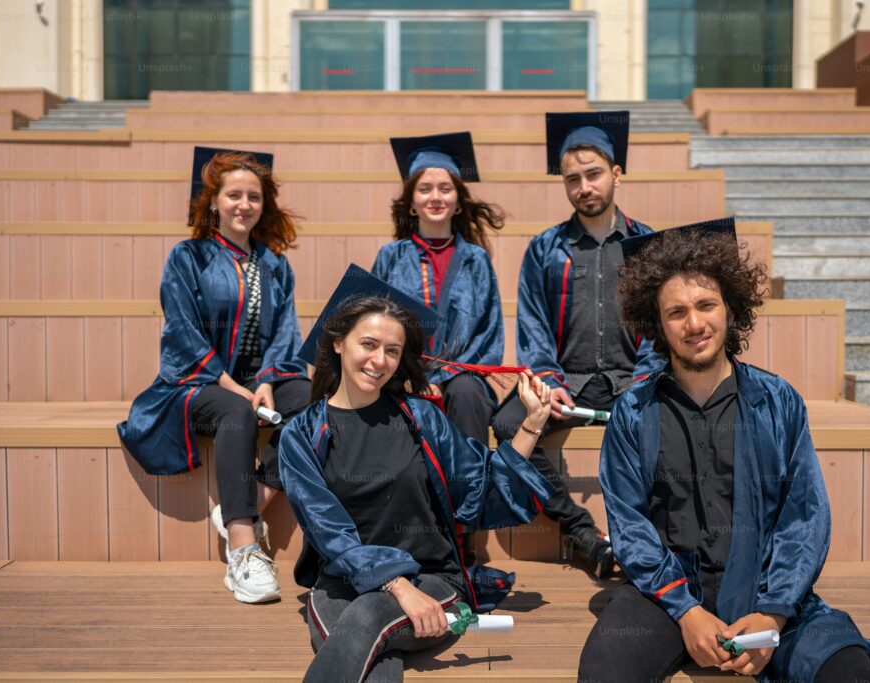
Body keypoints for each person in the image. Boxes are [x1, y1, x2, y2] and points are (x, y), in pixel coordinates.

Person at [577, 218, 870, 682]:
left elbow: (804, 516)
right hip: (666, 594)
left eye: (706, 305)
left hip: (769, 590)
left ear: (730, 309)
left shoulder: (776, 401)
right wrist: (686, 612)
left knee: (850, 674)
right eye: (676, 312)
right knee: (603, 672)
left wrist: (774, 613)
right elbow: (629, 524)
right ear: (657, 325)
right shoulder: (634, 412)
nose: (695, 323)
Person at [278, 266, 554, 683]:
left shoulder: (421, 418)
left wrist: (532, 424)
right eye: (368, 344)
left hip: (431, 579)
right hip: (343, 581)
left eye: (392, 350)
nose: (380, 361)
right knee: (375, 650)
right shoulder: (301, 434)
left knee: (367, 618)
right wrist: (397, 587)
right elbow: (328, 530)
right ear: (338, 343)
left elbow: (482, 491)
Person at [118, 147, 311, 604]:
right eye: (234, 195)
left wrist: (266, 380)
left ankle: (249, 500)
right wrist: (230, 384)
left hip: (260, 379)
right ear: (214, 202)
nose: (245, 204)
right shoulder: (188, 256)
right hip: (197, 382)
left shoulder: (275, 264)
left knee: (312, 404)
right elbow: (182, 330)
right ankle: (243, 549)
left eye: (254, 197)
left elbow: (285, 332)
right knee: (236, 413)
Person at [492, 111, 663, 579]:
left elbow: (662, 328)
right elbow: (533, 327)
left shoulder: (647, 245)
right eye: (573, 179)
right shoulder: (545, 249)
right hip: (571, 384)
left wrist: (643, 383)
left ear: (616, 174)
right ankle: (583, 535)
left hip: (635, 381)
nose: (584, 186)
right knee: (508, 423)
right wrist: (549, 382)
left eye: (593, 175)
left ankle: (649, 538)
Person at [372, 131, 505, 446]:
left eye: (445, 189)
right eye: (425, 189)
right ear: (412, 203)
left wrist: (444, 378)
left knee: (466, 392)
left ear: (458, 202)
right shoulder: (391, 257)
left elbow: (489, 333)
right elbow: (374, 324)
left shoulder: (476, 260)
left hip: (462, 377)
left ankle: (470, 491)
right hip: (399, 372)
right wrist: (411, 375)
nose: (435, 197)